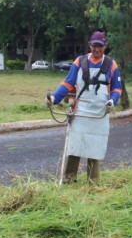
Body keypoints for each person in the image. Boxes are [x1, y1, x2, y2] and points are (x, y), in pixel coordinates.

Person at [47, 31, 123, 183]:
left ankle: (93, 181)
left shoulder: (111, 65)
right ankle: (69, 178)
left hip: (100, 112)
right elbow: (68, 83)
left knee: (95, 146)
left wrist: (112, 101)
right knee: (75, 144)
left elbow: (117, 88)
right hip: (81, 111)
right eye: (94, 46)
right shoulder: (79, 62)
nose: (97, 49)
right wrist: (54, 98)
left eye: (100, 47)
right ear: (90, 45)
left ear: (105, 46)